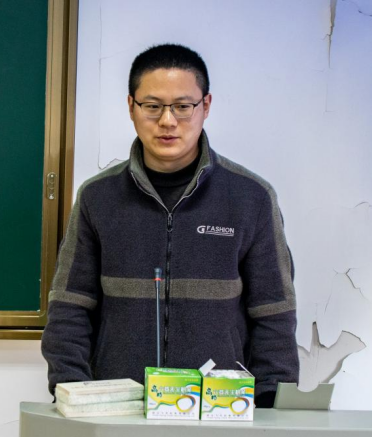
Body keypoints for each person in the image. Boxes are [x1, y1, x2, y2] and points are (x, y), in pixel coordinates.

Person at [41, 44, 299, 408]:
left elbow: (274, 312)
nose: (167, 121)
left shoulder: (251, 197)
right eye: (152, 106)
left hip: (219, 410)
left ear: (205, 106)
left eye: (182, 106)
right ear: (131, 107)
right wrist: (72, 391)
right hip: (118, 409)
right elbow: (70, 307)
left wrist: (270, 402)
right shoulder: (97, 197)